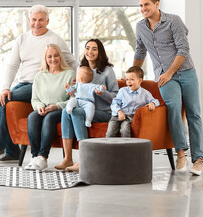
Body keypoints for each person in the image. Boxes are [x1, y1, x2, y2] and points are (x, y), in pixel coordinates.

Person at [0, 4, 78, 162]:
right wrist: (5, 87)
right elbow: (12, 65)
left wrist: (77, 80)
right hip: (23, 84)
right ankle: (12, 152)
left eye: (41, 20)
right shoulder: (22, 39)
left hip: (41, 85)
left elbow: (73, 63)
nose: (36, 23)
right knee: (5, 101)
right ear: (29, 20)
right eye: (33, 20)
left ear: (47, 21)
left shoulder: (55, 39)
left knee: (4, 102)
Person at [134, 0, 203, 176]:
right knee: (173, 108)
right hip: (164, 77)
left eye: (146, 4)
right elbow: (140, 52)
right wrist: (132, 75)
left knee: (194, 114)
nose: (143, 9)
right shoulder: (140, 27)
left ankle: (198, 160)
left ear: (157, 4)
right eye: (141, 5)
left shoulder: (174, 21)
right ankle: (180, 151)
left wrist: (169, 73)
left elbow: (183, 50)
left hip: (185, 72)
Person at [55, 39, 119, 172]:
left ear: (99, 51)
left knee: (76, 112)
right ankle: (68, 158)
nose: (90, 51)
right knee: (66, 111)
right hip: (83, 106)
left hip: (103, 111)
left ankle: (84, 159)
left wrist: (102, 93)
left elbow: (116, 97)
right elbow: (78, 92)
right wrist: (72, 88)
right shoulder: (80, 68)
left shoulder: (107, 70)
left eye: (94, 49)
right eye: (87, 48)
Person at [24, 44, 75, 170]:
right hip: (44, 109)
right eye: (50, 56)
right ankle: (35, 156)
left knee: (49, 118)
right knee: (32, 117)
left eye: (56, 55)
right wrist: (40, 107)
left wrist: (56, 106)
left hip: (60, 110)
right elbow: (34, 99)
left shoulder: (69, 74)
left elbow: (73, 99)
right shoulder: (39, 76)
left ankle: (43, 157)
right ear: (45, 59)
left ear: (61, 57)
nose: (53, 59)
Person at [105, 66, 160, 137]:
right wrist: (119, 112)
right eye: (127, 79)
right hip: (117, 116)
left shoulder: (145, 93)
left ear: (140, 81)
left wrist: (152, 103)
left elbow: (156, 101)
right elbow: (115, 103)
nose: (128, 82)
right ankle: (108, 147)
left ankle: (127, 147)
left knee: (125, 130)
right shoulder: (122, 91)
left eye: (131, 79)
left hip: (129, 118)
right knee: (110, 132)